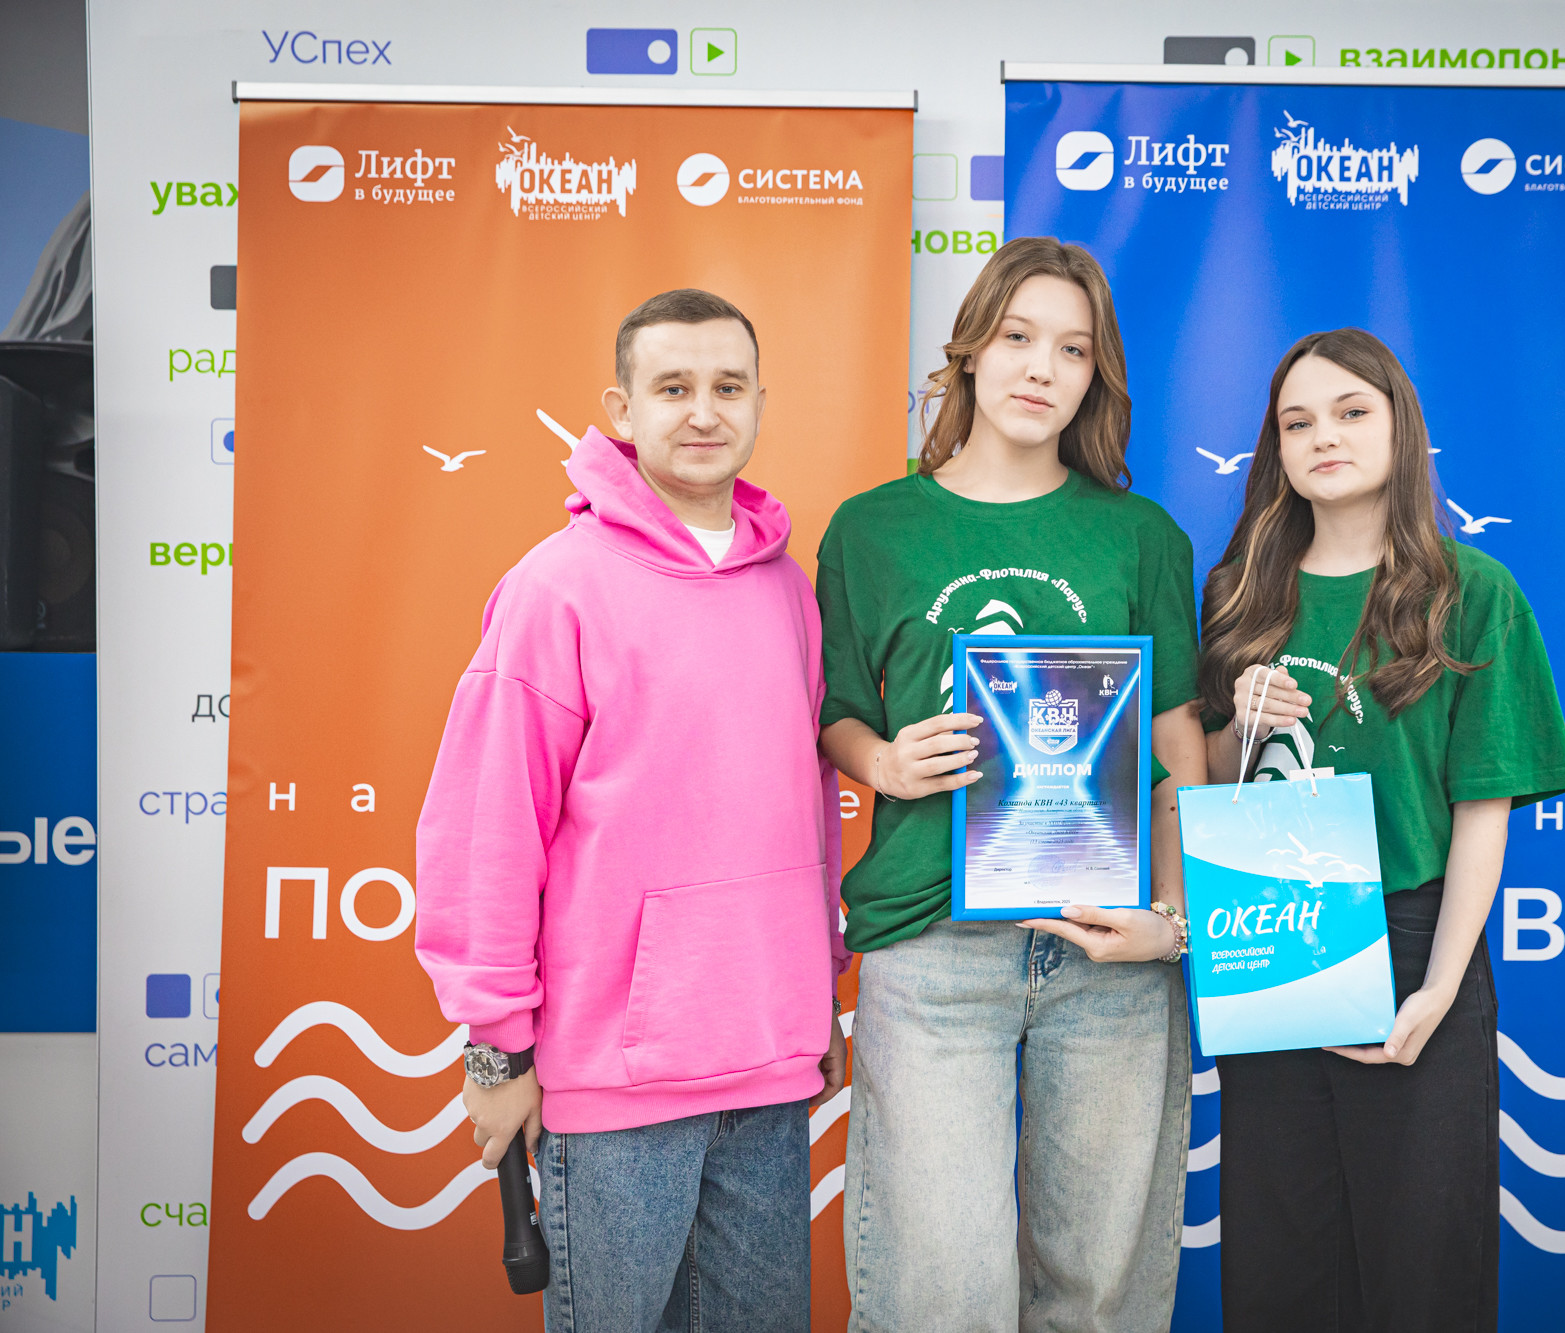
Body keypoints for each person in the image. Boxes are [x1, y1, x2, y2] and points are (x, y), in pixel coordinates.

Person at [413, 289, 848, 1333]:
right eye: (672, 387)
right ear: (621, 409)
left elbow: (805, 810)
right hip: (613, 1085)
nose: (703, 411)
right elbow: (487, 831)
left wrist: (815, 985)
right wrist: (496, 1049)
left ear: (759, 402)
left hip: (768, 1065)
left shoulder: (787, 588)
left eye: (727, 387)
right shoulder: (555, 588)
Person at [815, 237, 1206, 1332]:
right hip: (931, 943)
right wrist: (883, 761)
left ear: (1095, 377)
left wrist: (1170, 921)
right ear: (971, 352)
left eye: (1072, 349)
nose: (1042, 367)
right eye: (1018, 336)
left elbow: (1177, 743)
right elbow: (836, 711)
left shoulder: (1141, 536)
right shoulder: (870, 528)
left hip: (1109, 953)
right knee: (939, 1293)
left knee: (1099, 1293)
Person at [1198, 329, 1565, 1330]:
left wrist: (1441, 989)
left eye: (1350, 411)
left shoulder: (1472, 591)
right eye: (1297, 422)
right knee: (1279, 1265)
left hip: (1415, 938)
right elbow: (1210, 787)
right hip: (1272, 933)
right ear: (1276, 450)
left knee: (1421, 1269)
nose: (1323, 436)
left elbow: (1482, 810)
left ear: (1400, 427)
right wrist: (1240, 723)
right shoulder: (1240, 592)